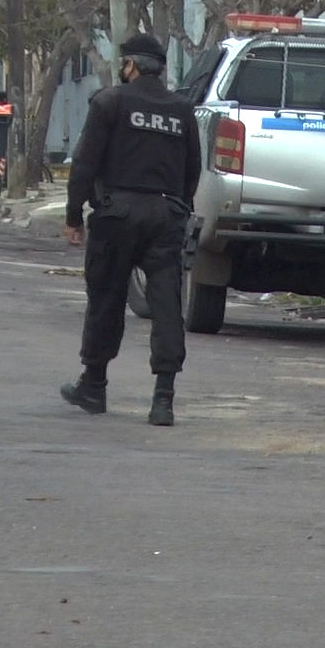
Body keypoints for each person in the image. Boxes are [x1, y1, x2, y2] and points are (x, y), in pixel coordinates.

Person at [59, 34, 202, 426]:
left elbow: (86, 164)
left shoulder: (109, 102)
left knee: (106, 296)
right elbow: (193, 169)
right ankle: (164, 399)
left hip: (117, 214)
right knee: (166, 303)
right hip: (166, 214)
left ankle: (94, 386)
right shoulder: (182, 110)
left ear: (132, 66)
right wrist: (180, 208)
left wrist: (74, 215)